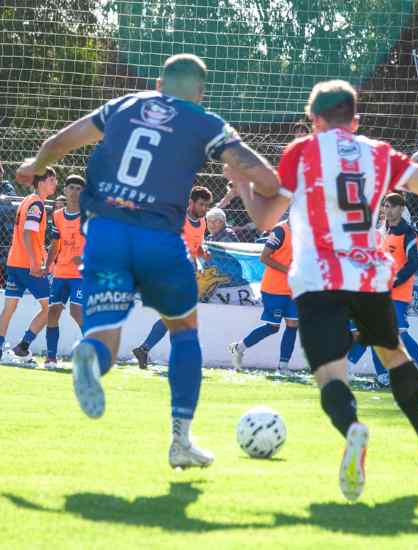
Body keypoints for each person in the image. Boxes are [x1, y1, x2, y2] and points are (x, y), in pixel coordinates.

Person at [224, 79, 418, 500]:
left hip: (318, 278)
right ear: (355, 120)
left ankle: (353, 430)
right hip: (368, 277)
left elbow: (264, 218)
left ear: (313, 121)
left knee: (331, 374)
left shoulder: (302, 152)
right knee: (394, 355)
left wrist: (241, 184)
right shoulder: (379, 154)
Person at [14, 53, 279, 469]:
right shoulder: (204, 121)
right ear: (199, 92)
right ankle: (180, 441)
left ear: (158, 83)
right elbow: (266, 179)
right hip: (159, 238)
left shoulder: (124, 105)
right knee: (185, 332)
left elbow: (58, 143)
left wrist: (35, 166)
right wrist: (242, 180)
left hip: (105, 234)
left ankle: (89, 354)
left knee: (106, 333)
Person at [348, 193, 418, 385]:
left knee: (400, 333)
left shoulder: (408, 233)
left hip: (398, 291)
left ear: (401, 209)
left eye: (392, 206)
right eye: (385, 206)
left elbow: (412, 265)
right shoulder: (382, 232)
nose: (388, 209)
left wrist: (393, 281)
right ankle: (382, 376)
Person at [132, 186, 213, 369]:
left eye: (206, 205)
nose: (204, 209)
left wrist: (202, 256)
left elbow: (196, 248)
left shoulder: (202, 223)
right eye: (201, 205)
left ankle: (145, 349)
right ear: (191, 203)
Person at [0, 167, 58, 365]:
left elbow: (28, 235)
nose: (55, 184)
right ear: (42, 182)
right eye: (52, 180)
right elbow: (28, 234)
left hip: (14, 263)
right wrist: (35, 262)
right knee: (51, 308)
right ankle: (23, 346)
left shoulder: (28, 200)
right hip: (28, 266)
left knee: (8, 308)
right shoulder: (37, 204)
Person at [227, 219, 298, 376]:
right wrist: (288, 270)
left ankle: (283, 367)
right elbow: (264, 257)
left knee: (293, 325)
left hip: (293, 289)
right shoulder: (280, 230)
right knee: (272, 327)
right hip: (274, 288)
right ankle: (238, 348)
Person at [44, 174, 86, 369]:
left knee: (77, 312)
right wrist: (47, 266)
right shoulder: (58, 215)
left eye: (79, 189)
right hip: (60, 272)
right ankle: (51, 357)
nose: (75, 192)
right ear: (65, 190)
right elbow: (55, 244)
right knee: (52, 312)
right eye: (72, 188)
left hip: (80, 274)